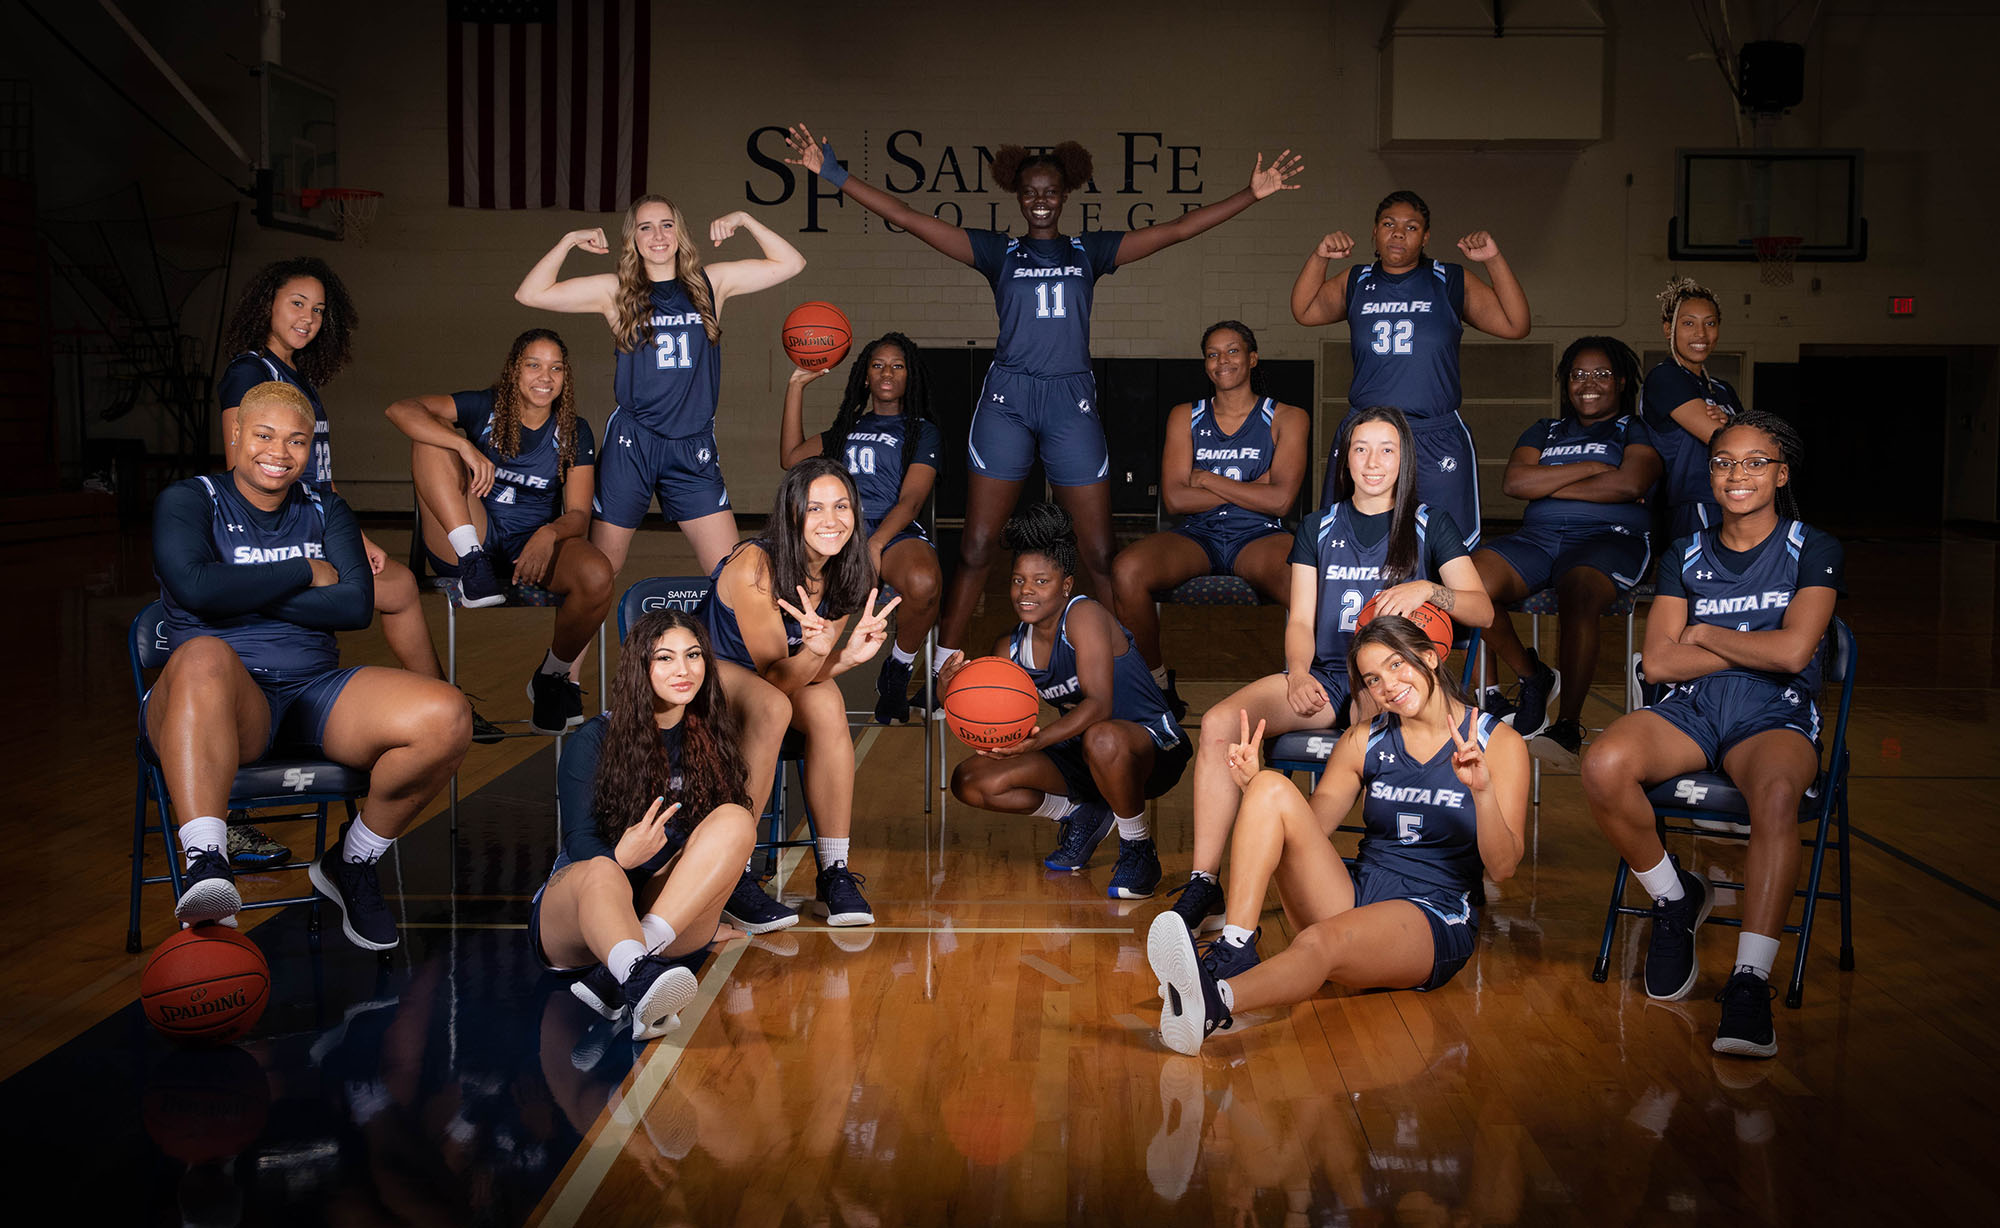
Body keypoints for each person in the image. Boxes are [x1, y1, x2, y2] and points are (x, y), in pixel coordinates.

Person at [784, 125, 1305, 691]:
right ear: (1017, 193)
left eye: (1050, 192)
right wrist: (833, 173)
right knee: (980, 542)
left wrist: (1251, 194)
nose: (1039, 201)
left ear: (1066, 195)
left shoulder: (1090, 251)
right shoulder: (998, 251)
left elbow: (1177, 230)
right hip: (1008, 399)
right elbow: (910, 218)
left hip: (1069, 401)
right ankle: (942, 670)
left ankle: (1129, 670)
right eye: (1030, 191)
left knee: (1100, 550)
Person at [146, 382, 472, 951]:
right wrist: (303, 570)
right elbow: (193, 587)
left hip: (311, 691)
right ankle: (206, 863)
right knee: (201, 653)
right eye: (264, 435)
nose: (279, 451)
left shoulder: (326, 507)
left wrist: (233, 592)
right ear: (235, 436)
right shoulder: (189, 499)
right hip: (216, 702)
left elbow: (353, 605)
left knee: (447, 714)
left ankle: (353, 861)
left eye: (296, 440)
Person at [1167, 407, 1493, 934]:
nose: (1373, 461)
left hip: (1392, 681)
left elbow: (1482, 610)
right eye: (1361, 448)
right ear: (1345, 459)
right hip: (1325, 676)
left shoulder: (1431, 525)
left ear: (1404, 458)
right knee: (1225, 722)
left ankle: (1411, 870)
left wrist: (1429, 589)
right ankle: (1204, 882)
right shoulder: (1318, 527)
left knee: (1376, 709)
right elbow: (1299, 618)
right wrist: (1297, 672)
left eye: (1387, 449)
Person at [1580, 412, 1841, 1060]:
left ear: (1780, 474)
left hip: (1772, 712)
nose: (1737, 474)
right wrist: (1750, 647)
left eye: (1755, 462)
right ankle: (1675, 900)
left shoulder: (1814, 549)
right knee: (1604, 763)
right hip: (1693, 708)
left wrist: (1709, 635)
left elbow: (1796, 653)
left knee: (1776, 798)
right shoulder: (1686, 552)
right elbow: (1661, 664)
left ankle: (1750, 982)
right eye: (1725, 462)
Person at [1148, 616, 1529, 1056]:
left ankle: (1214, 999)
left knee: (1318, 942)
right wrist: (1254, 785)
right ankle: (1235, 946)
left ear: (1428, 657)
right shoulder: (1364, 739)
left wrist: (1481, 792)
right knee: (1273, 788)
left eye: (1396, 665)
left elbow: (1502, 869)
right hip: (1356, 890)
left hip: (1433, 911)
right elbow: (1305, 827)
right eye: (1373, 678)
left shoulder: (1498, 744)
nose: (1388, 685)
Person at [217, 257, 465, 864]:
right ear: (267, 305)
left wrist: (346, 534)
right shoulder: (250, 372)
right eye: (297, 303)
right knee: (267, 655)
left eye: (319, 309)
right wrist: (303, 541)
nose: (308, 317)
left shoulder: (293, 374)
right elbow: (241, 462)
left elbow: (314, 478)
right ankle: (226, 815)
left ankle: (440, 711)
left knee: (400, 586)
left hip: (316, 525)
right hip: (277, 537)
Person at [514, 195, 806, 576]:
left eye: (666, 224)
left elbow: (792, 263)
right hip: (633, 443)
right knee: (597, 575)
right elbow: (529, 293)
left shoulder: (710, 283)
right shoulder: (616, 290)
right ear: (632, 238)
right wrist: (569, 240)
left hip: (692, 444)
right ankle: (572, 641)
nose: (657, 235)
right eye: (645, 227)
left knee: (734, 574)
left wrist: (745, 219)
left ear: (679, 232)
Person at [530, 609, 758, 1041]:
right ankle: (635, 971)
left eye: (693, 655)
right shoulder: (594, 740)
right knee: (600, 869)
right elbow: (578, 841)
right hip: (582, 915)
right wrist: (620, 858)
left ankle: (626, 970)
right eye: (665, 658)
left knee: (735, 818)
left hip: (659, 915)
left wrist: (706, 910)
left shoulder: (710, 736)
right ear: (640, 667)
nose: (683, 669)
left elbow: (713, 850)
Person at [943, 504, 1190, 897]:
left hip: (1151, 746)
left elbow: (1099, 706)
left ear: (1066, 585)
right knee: (971, 780)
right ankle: (1081, 813)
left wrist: (1037, 741)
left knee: (1103, 737)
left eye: (1041, 581)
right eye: (1018, 580)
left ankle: (1138, 849)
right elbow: (981, 711)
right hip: (1082, 751)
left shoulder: (1084, 616)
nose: (1026, 590)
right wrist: (949, 686)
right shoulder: (1010, 646)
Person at [696, 457, 899, 931]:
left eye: (841, 506)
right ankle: (735, 875)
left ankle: (834, 871)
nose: (831, 521)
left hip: (780, 678)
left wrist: (845, 658)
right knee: (772, 706)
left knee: (828, 700)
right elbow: (773, 678)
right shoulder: (756, 565)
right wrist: (820, 655)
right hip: (712, 673)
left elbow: (812, 668)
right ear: (792, 515)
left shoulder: (852, 569)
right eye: (815, 509)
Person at [386, 327, 614, 735]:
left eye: (556, 368)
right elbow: (401, 409)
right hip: (469, 534)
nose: (545, 377)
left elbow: (579, 515)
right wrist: (463, 446)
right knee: (432, 438)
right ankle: (473, 562)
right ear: (514, 371)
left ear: (566, 378)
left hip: (528, 546)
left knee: (598, 574)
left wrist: (548, 534)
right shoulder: (483, 407)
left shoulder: (574, 431)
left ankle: (552, 676)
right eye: (534, 365)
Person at [1290, 191, 1532, 549]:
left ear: (1426, 236)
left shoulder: (1449, 280)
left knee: (1444, 548)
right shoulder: (1357, 280)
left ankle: (1434, 606)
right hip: (1369, 432)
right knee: (1358, 540)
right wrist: (1319, 257)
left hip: (1433, 432)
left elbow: (1516, 324)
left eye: (1411, 226)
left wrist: (1493, 259)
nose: (1398, 233)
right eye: (1389, 224)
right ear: (1374, 232)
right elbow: (1305, 310)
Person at [1469, 337, 1662, 767]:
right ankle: (1533, 676)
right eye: (1577, 375)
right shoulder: (1545, 429)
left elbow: (1630, 484)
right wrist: (1593, 469)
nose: (1587, 384)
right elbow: (1515, 484)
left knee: (1578, 590)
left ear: (1622, 382)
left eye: (1601, 374)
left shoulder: (1635, 428)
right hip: (1538, 539)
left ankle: (1567, 725)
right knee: (1467, 581)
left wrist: (1551, 480)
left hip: (1609, 537)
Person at [1110, 321, 1310, 716]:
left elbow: (1282, 501)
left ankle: (1303, 686)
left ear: (1252, 359)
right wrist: (1255, 487)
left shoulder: (1288, 417)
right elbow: (1175, 498)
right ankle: (1157, 685)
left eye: (1233, 351)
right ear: (1205, 364)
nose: (1223, 361)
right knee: (1126, 569)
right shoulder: (1185, 416)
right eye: (1213, 354)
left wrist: (1205, 478)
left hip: (1258, 536)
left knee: (1302, 576)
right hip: (1197, 535)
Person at [779, 332, 944, 725]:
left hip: (891, 530)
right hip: (838, 528)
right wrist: (796, 385)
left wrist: (874, 544)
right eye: (878, 365)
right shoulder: (844, 428)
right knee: (796, 584)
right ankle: (796, 670)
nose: (887, 372)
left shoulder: (922, 431)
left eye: (897, 366)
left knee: (923, 582)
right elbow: (790, 458)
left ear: (910, 377)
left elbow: (912, 501)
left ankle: (897, 670)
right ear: (865, 377)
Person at [1643, 277, 1742, 542]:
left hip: (1734, 495)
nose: (1701, 334)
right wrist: (1734, 427)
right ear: (1668, 329)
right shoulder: (1665, 378)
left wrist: (1732, 424)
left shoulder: (1722, 389)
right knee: (1702, 578)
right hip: (1693, 500)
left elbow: (1748, 439)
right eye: (1688, 323)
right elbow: (1726, 439)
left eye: (1710, 323)